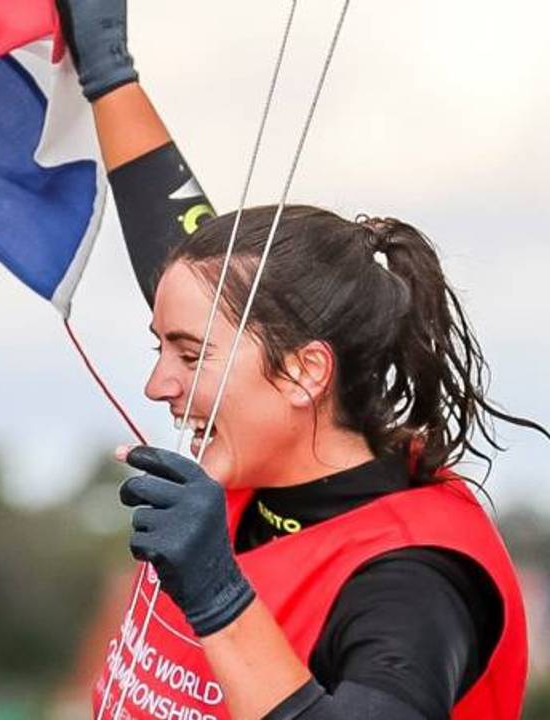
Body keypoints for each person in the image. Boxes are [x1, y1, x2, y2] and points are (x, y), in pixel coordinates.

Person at [55, 2, 545, 719]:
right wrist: (107, 71)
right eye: (159, 347)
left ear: (305, 372)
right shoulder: (250, 454)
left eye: (188, 354)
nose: (158, 383)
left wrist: (217, 591)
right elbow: (173, 232)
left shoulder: (418, 571)